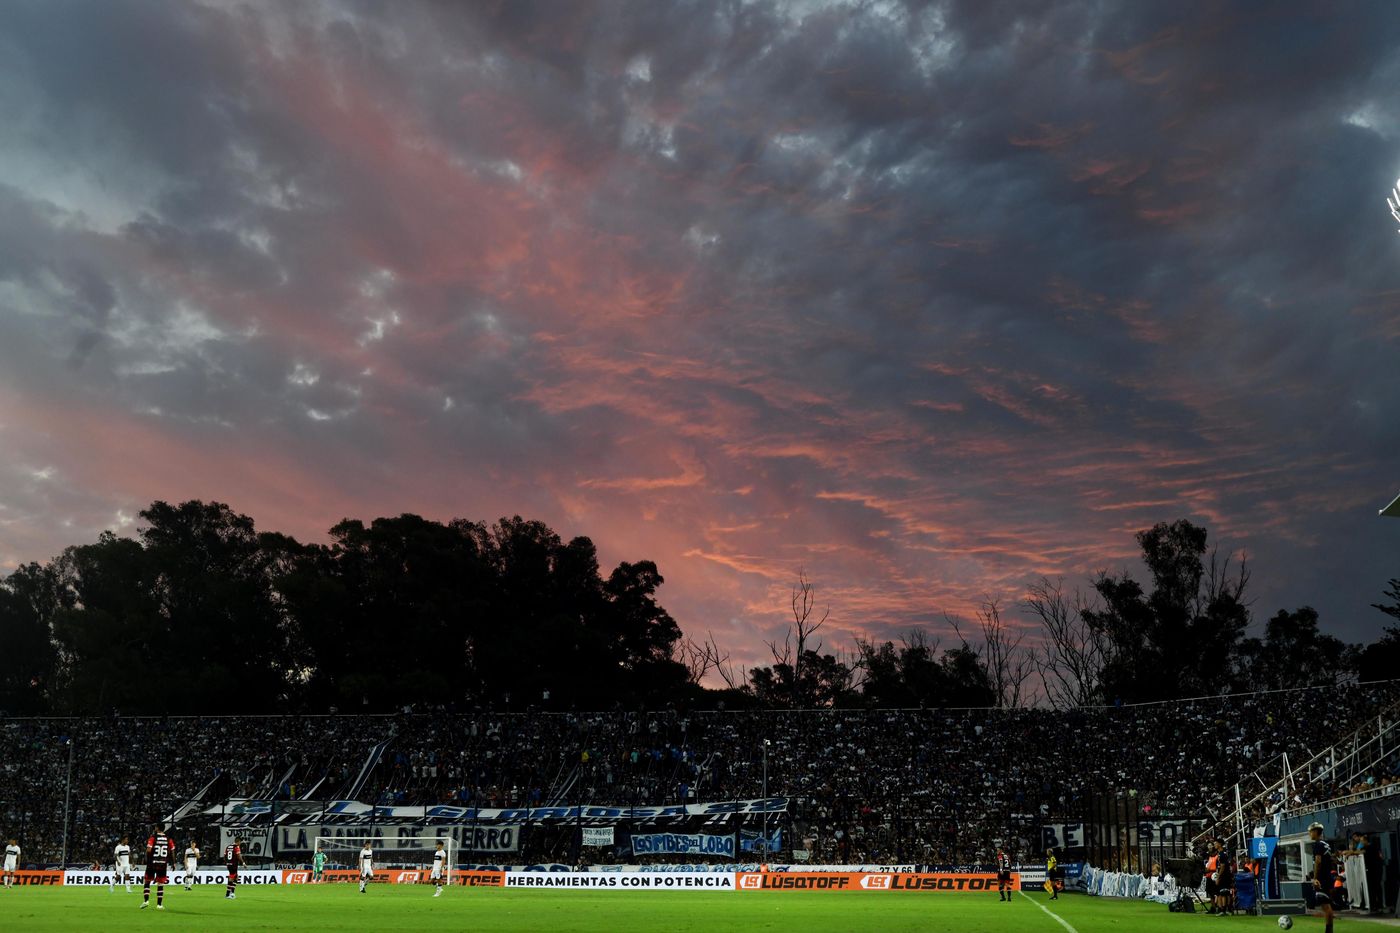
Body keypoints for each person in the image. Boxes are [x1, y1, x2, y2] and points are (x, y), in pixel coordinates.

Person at [1308, 821, 1338, 933]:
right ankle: (1329, 930)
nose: (1310, 834)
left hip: (1323, 879)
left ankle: (1329, 931)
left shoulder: (1318, 844)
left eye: (1311, 832)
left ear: (1316, 831)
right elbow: (1331, 859)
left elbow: (1318, 861)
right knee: (1325, 904)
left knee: (1325, 905)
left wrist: (1315, 878)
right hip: (1328, 877)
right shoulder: (1326, 844)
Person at [140, 824, 173, 910]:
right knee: (160, 884)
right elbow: (172, 850)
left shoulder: (153, 838)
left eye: (155, 827)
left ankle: (146, 901)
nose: (154, 828)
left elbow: (149, 850)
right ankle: (159, 905)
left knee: (147, 881)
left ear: (157, 828)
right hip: (163, 864)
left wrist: (147, 859)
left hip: (152, 863)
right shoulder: (168, 839)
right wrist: (173, 863)